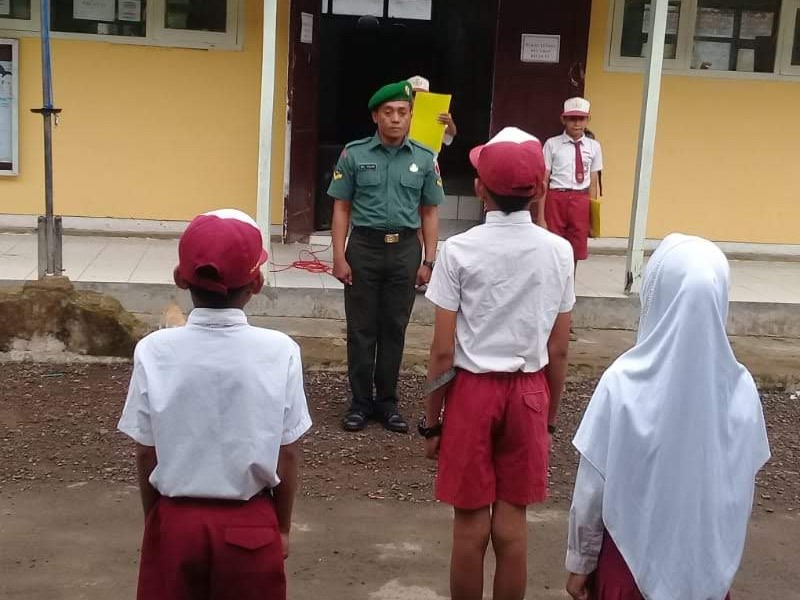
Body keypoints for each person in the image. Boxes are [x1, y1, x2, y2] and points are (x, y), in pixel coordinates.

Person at [118, 209, 312, 600]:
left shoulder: (153, 351)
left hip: (176, 521)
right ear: (256, 283)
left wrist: (155, 519)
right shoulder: (281, 351)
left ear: (180, 278)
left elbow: (145, 452)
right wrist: (282, 527)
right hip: (251, 525)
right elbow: (287, 453)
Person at [564, 234, 770, 600]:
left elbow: (592, 487)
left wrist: (581, 560)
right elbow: (739, 490)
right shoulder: (739, 388)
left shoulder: (623, 382)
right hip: (705, 575)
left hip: (627, 568)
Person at [422, 127, 574, 600]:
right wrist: (549, 417)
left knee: (469, 526)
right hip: (529, 392)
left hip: (472, 392)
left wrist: (432, 422)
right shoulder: (559, 252)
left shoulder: (458, 250)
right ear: (540, 188)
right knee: (513, 525)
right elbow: (559, 349)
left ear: (480, 189)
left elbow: (442, 351)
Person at [328, 81, 445, 433]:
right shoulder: (353, 154)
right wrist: (338, 256)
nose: (395, 119)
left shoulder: (424, 158)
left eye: (402, 112)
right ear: (375, 116)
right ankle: (360, 402)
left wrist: (429, 261)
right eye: (388, 112)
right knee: (361, 328)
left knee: (394, 328)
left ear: (410, 116)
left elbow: (429, 212)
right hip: (364, 248)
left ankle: (387, 402)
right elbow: (341, 208)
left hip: (405, 250)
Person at [540, 97, 603, 268]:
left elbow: (593, 183)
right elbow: (544, 180)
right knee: (553, 246)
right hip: (556, 198)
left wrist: (592, 218)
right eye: (572, 118)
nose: (577, 123)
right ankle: (553, 281)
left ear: (588, 119)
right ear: (563, 119)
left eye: (581, 118)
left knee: (575, 249)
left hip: (581, 200)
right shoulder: (552, 144)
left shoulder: (594, 146)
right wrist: (541, 217)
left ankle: (570, 282)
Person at [408, 75, 458, 149]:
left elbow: (451, 134)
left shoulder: (433, 113)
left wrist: (450, 122)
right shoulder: (397, 112)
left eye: (422, 95)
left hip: (428, 155)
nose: (417, 98)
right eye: (414, 94)